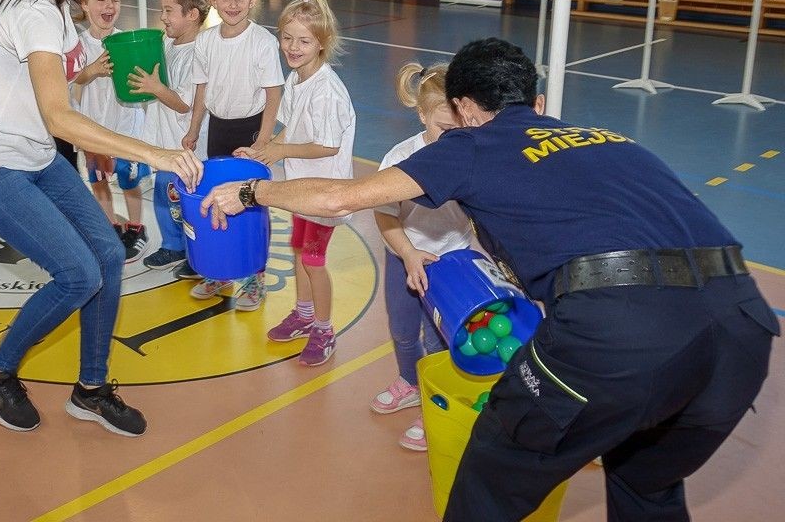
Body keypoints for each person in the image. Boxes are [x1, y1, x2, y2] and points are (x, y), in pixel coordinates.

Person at [201, 37, 777, 522]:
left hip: (617, 336)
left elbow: (336, 197)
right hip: (740, 334)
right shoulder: (614, 140)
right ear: (540, 100)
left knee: (488, 486)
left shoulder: (472, 145)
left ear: (465, 110)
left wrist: (249, 190)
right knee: (645, 482)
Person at [0, 0, 202, 436]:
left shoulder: (55, 6)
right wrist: (155, 152)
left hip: (36, 158)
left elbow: (43, 87)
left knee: (108, 259)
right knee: (77, 273)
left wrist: (81, 78)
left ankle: (91, 389)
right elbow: (60, 117)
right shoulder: (36, 11)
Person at [233, 0, 355, 365]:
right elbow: (289, 129)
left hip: (325, 190)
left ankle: (323, 328)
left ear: (321, 43)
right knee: (300, 251)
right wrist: (262, 148)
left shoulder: (328, 91)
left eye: (303, 40)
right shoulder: (295, 79)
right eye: (287, 37)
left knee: (314, 259)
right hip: (302, 189)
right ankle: (303, 315)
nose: (293, 46)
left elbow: (328, 146)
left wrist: (281, 152)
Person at [369, 62, 475, 453]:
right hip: (403, 255)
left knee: (438, 340)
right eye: (444, 130)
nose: (453, 138)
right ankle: (409, 382)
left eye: (461, 129)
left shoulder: (469, 156)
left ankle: (436, 405)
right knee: (401, 329)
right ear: (421, 115)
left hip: (449, 263)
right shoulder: (401, 157)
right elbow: (384, 213)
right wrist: (409, 253)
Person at [181, 0, 284, 297]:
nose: (233, 5)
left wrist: (265, 141)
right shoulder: (206, 41)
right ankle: (219, 269)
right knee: (216, 198)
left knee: (251, 201)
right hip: (219, 129)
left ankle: (255, 276)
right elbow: (201, 89)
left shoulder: (262, 42)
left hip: (251, 130)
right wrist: (195, 129)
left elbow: (273, 93)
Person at [71, 0, 151, 263]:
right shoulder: (77, 44)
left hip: (126, 128)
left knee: (130, 181)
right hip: (93, 127)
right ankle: (111, 225)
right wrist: (91, 71)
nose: (109, 5)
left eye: (115, 0)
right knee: (99, 181)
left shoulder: (126, 42)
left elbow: (143, 83)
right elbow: (71, 78)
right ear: (85, 4)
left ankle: (136, 226)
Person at [135, 0, 210, 272]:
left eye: (169, 11)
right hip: (165, 142)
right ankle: (172, 245)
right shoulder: (167, 42)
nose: (163, 17)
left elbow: (184, 103)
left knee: (188, 201)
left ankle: (196, 252)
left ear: (192, 15)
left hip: (185, 144)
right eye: (162, 10)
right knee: (163, 194)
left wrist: (154, 87)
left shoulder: (197, 53)